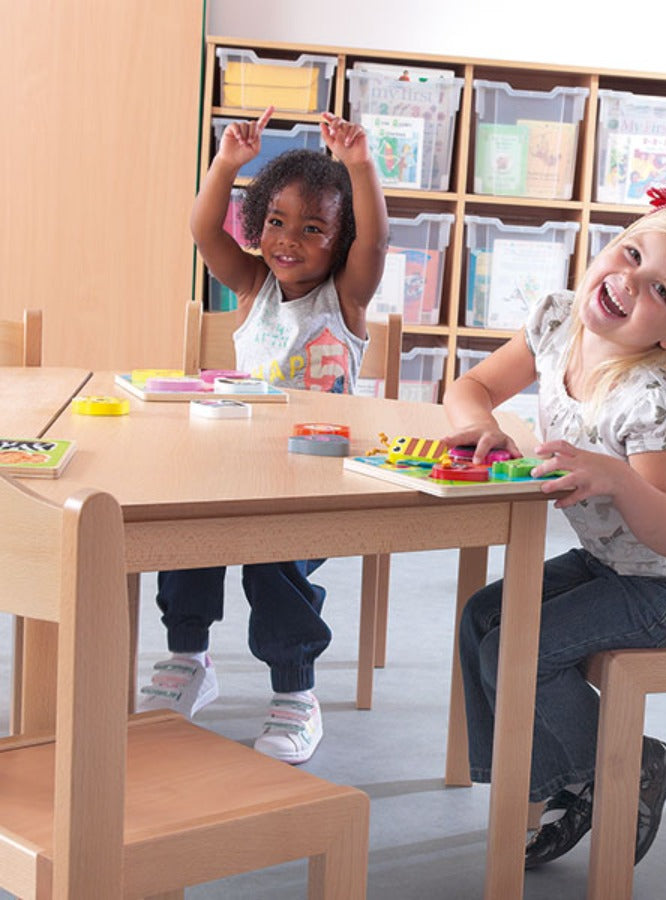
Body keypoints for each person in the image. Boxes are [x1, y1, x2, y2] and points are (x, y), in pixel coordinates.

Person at [441, 187, 666, 868]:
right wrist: (482, 428)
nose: (627, 281)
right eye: (631, 253)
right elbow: (471, 388)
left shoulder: (652, 401)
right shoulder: (559, 325)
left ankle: (625, 767)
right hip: (617, 565)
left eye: (658, 290)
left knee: (514, 648)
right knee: (482, 618)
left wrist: (615, 479)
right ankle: (545, 783)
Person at [138, 106, 388, 765]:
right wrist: (227, 166)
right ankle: (189, 658)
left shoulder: (346, 299)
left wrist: (359, 165)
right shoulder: (253, 287)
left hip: (316, 479)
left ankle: (296, 693)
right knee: (186, 531)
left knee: (274, 562)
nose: (288, 240)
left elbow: (378, 245)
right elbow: (202, 232)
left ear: (340, 241)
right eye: (275, 222)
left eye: (312, 229)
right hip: (239, 466)